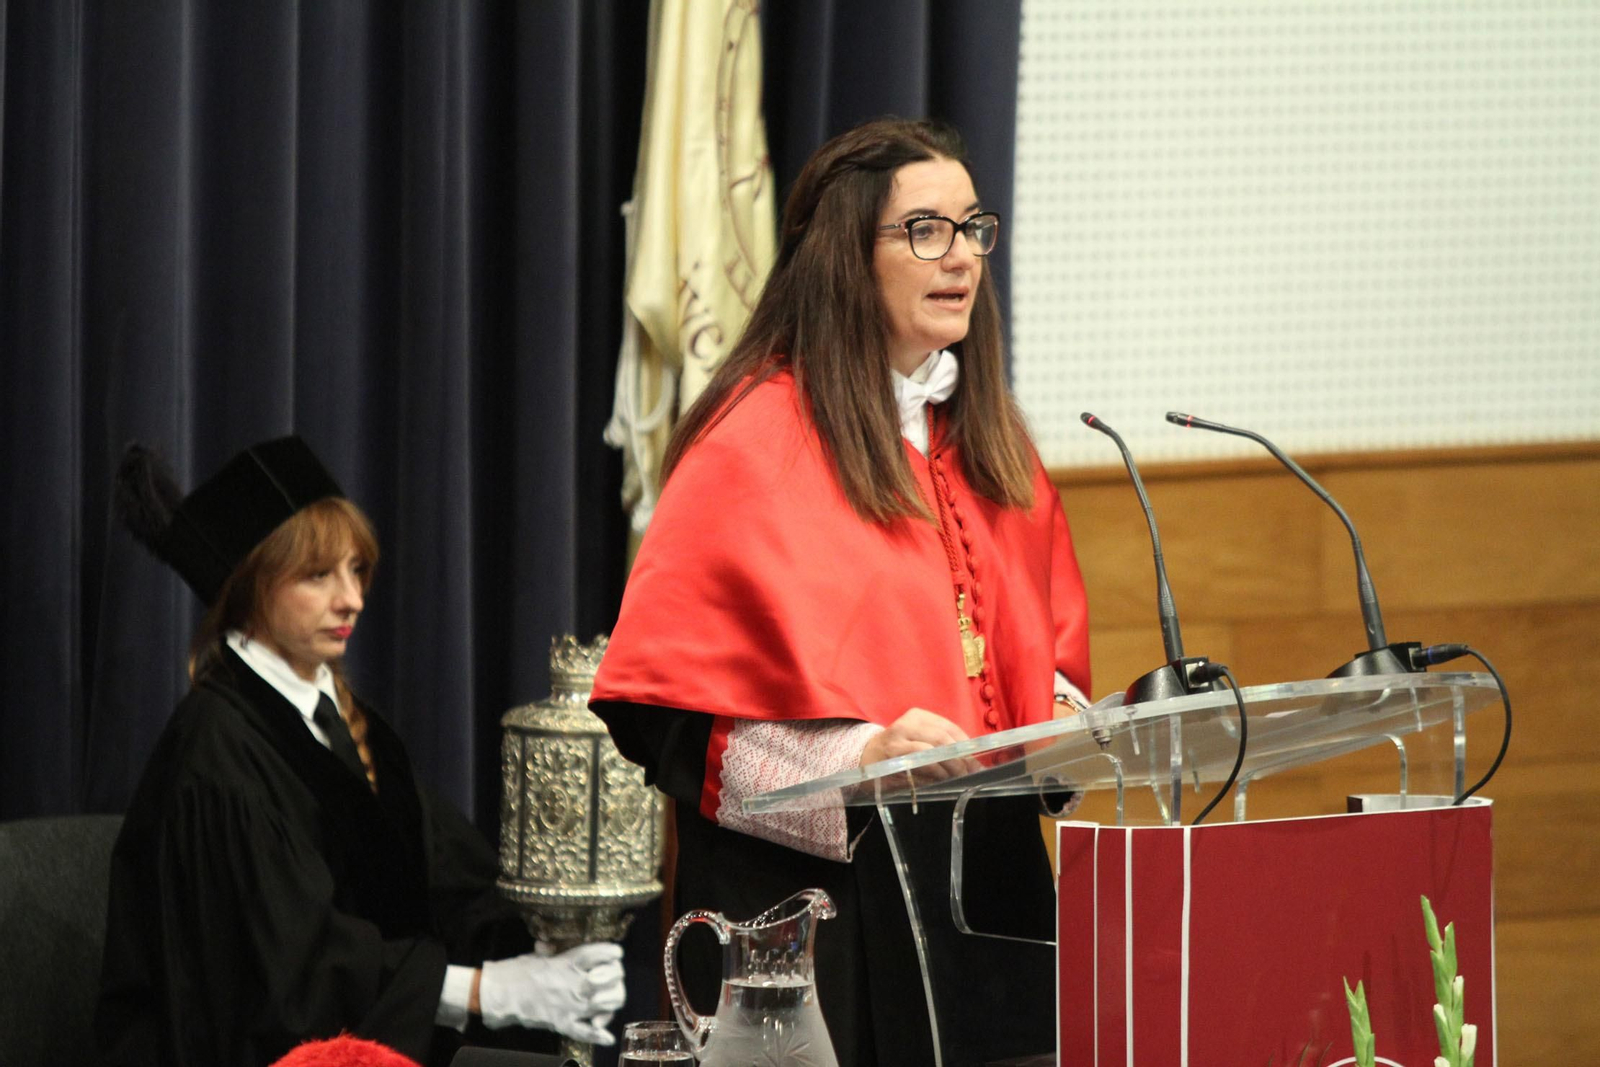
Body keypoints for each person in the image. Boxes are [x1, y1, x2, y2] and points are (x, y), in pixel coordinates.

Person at [588, 118, 1091, 1065]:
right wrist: (864, 755)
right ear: (845, 257)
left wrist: (1068, 719)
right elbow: (676, 722)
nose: (962, 258)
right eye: (925, 231)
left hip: (990, 898)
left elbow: (1034, 664)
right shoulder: (756, 441)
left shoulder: (996, 448)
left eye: (973, 228)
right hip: (828, 925)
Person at [98, 436, 625, 1067]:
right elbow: (285, 976)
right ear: (250, 588)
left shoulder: (343, 719)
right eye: (318, 576)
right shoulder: (215, 754)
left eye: (356, 570)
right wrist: (486, 991)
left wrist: (552, 943)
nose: (352, 599)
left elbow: (447, 874)